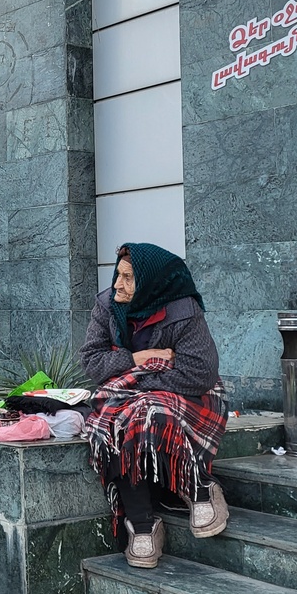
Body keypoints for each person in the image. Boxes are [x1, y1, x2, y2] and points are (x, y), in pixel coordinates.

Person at [80, 243, 229, 570]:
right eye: (117, 274)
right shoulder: (107, 305)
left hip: (191, 395)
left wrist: (137, 382)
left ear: (150, 283)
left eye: (128, 278)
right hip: (132, 389)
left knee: (145, 410)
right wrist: (137, 360)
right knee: (111, 423)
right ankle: (142, 523)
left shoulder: (183, 310)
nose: (117, 284)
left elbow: (198, 374)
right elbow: (92, 361)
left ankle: (199, 487)